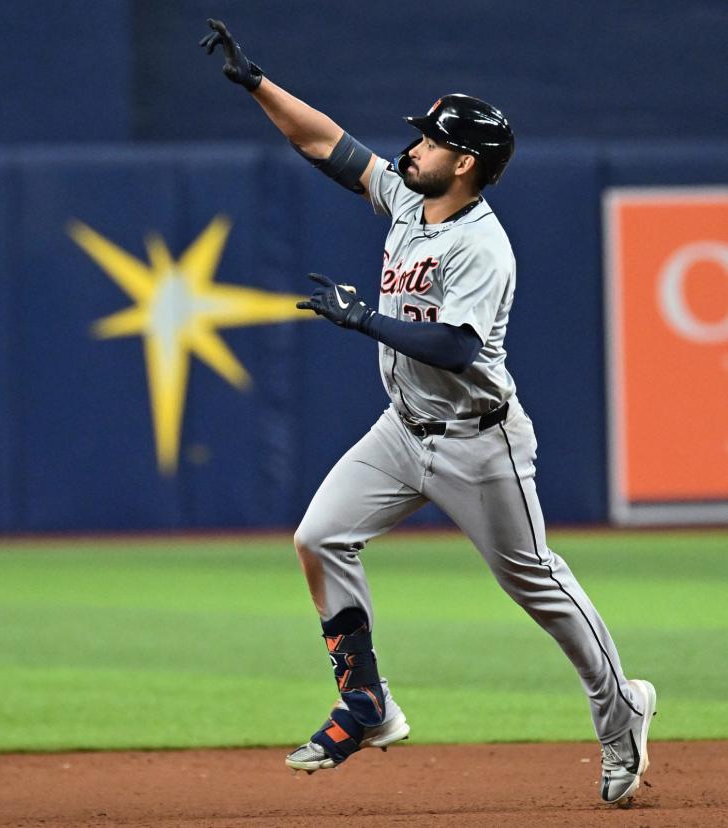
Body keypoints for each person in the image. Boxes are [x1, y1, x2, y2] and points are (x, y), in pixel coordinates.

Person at [200, 20, 656, 805]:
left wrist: (362, 319)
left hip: (481, 446)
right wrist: (257, 83)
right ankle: (367, 703)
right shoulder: (409, 201)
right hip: (403, 430)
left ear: (465, 163)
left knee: (538, 586)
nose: (411, 149)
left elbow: (454, 346)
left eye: (429, 142)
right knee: (319, 537)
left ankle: (622, 714)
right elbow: (330, 147)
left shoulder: (483, 245)